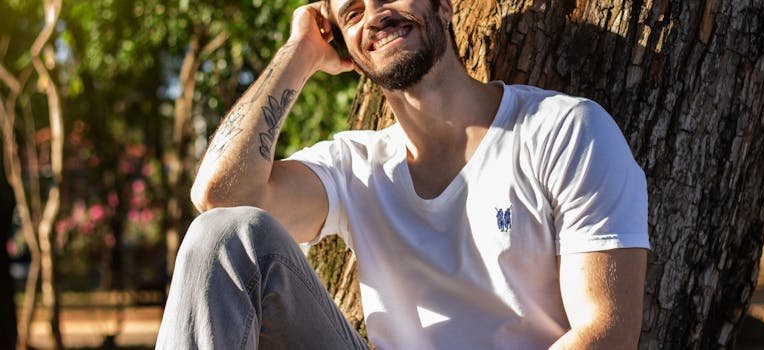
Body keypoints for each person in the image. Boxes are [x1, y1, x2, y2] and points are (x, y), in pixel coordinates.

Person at [156, 0, 650, 348]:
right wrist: (299, 52)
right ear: (347, 53)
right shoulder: (354, 166)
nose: (375, 14)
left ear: (445, 6)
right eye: (352, 13)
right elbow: (220, 196)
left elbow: (606, 332)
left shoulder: (563, 130)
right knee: (222, 234)